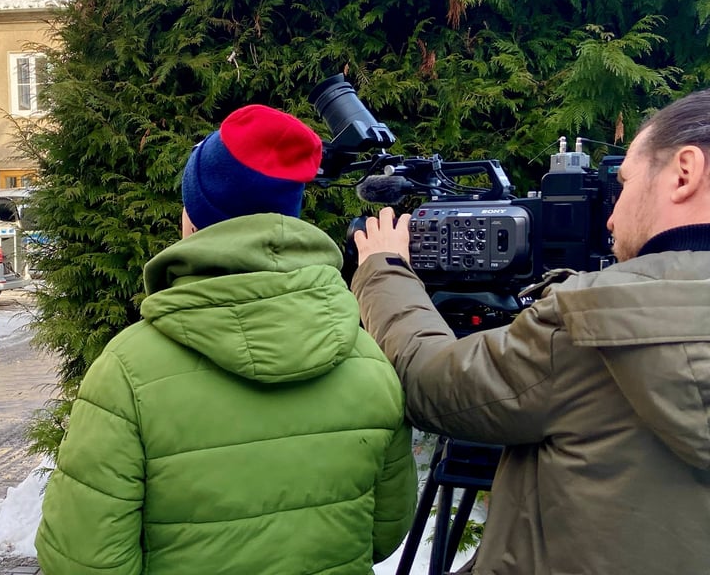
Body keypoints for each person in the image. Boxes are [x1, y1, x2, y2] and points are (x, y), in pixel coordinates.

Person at [36, 105, 417, 574]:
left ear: (193, 223)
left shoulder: (126, 371)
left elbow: (82, 558)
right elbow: (385, 530)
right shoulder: (367, 358)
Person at [351, 90, 710, 574]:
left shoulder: (591, 321)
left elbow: (429, 384)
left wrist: (384, 268)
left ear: (684, 172)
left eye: (622, 184)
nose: (609, 216)